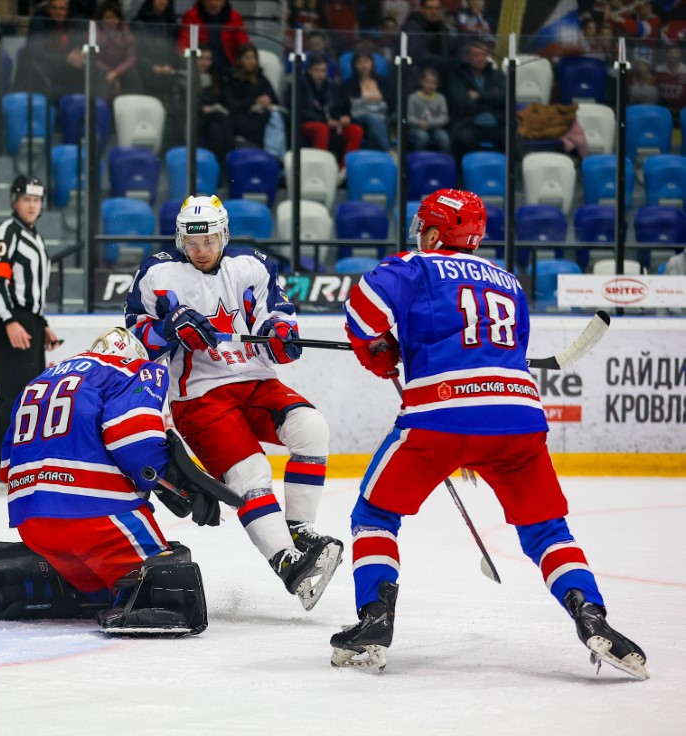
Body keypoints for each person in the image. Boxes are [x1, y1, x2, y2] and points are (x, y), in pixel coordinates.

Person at [331, 188, 648, 681]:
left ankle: (374, 620)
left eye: (425, 227)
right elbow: (497, 352)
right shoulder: (510, 282)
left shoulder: (416, 266)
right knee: (547, 530)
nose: (420, 233)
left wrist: (375, 346)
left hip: (440, 416)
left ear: (436, 232)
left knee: (374, 513)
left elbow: (361, 308)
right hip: (518, 421)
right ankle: (592, 615)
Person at [124, 195, 344, 610]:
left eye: (208, 240)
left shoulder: (252, 266)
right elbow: (134, 341)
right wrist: (169, 328)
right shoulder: (156, 274)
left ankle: (300, 530)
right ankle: (287, 563)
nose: (201, 250)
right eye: (192, 242)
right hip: (200, 396)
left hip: (255, 381)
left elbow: (275, 316)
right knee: (251, 473)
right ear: (180, 239)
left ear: (224, 235)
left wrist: (282, 335)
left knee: (312, 429)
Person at [0, 327, 215, 636]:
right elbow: (135, 441)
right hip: (97, 519)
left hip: (33, 522)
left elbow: (7, 469)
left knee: (98, 591)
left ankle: (30, 583)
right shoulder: (131, 369)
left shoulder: (40, 380)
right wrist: (175, 482)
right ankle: (127, 590)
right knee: (168, 575)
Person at [0, 176, 60, 495]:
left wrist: (39, 323)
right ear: (14, 200)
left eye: (38, 200)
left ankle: (19, 469)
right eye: (27, 199)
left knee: (29, 398)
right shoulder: (8, 231)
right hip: (10, 321)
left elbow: (32, 289)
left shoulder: (33, 235)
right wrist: (10, 321)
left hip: (27, 320)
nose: (33, 205)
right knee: (11, 399)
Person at [298, 54, 362, 175]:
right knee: (322, 128)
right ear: (309, 70)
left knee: (355, 130)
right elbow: (301, 111)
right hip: (308, 124)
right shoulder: (300, 85)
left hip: (331, 124)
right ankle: (320, 170)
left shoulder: (332, 87)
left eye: (323, 70)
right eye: (316, 70)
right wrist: (324, 120)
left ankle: (345, 170)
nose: (320, 74)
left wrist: (345, 117)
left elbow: (342, 106)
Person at [448, 40, 505, 161]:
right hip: (470, 123)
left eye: (483, 55)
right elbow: (462, 103)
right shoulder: (458, 76)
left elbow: (506, 98)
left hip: (497, 123)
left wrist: (480, 96)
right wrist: (492, 99)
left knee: (513, 138)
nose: (480, 58)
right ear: (467, 57)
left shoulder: (498, 75)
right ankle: (464, 176)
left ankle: (513, 176)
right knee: (463, 139)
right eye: (476, 55)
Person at [224, 44, 282, 154]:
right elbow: (231, 105)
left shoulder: (261, 78)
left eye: (254, 58)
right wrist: (253, 102)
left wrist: (266, 100)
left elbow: (275, 99)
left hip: (262, 115)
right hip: (240, 117)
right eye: (247, 58)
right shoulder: (232, 79)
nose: (252, 61)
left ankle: (275, 155)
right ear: (240, 60)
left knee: (276, 117)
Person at [177, 0, 251, 79]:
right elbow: (184, 43)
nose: (213, 2)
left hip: (228, 67)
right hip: (201, 67)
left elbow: (243, 43)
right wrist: (190, 61)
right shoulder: (191, 16)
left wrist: (247, 58)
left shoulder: (234, 17)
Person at [343, 50, 393, 151]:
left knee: (383, 120)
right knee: (373, 119)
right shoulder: (349, 84)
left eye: (366, 61)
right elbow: (347, 103)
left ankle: (376, 153)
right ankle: (388, 151)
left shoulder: (383, 82)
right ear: (354, 65)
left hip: (382, 115)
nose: (363, 65)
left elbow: (390, 102)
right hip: (360, 116)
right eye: (359, 62)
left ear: (372, 63)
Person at [93, 1, 141, 98]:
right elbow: (93, 58)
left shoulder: (125, 30)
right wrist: (109, 71)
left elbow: (131, 58)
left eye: (114, 17)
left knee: (133, 76)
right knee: (101, 78)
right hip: (102, 69)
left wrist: (116, 72)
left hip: (121, 68)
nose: (111, 21)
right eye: (108, 17)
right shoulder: (94, 31)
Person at [406, 66, 450, 152]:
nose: (431, 85)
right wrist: (419, 123)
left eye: (434, 83)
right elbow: (409, 117)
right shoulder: (413, 98)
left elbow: (444, 117)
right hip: (417, 128)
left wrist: (429, 124)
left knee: (443, 137)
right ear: (421, 81)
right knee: (422, 137)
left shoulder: (441, 98)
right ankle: (417, 160)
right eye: (428, 82)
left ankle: (445, 161)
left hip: (435, 127)